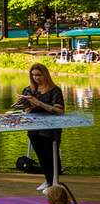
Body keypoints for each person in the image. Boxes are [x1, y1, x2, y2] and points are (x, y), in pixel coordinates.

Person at [18, 63, 65, 191]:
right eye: (33, 75)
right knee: (41, 155)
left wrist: (39, 103)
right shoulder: (28, 90)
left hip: (51, 129)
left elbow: (59, 111)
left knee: (51, 155)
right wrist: (25, 106)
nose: (36, 78)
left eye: (39, 75)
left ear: (45, 75)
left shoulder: (55, 90)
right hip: (34, 127)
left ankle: (54, 182)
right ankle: (48, 180)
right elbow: (25, 109)